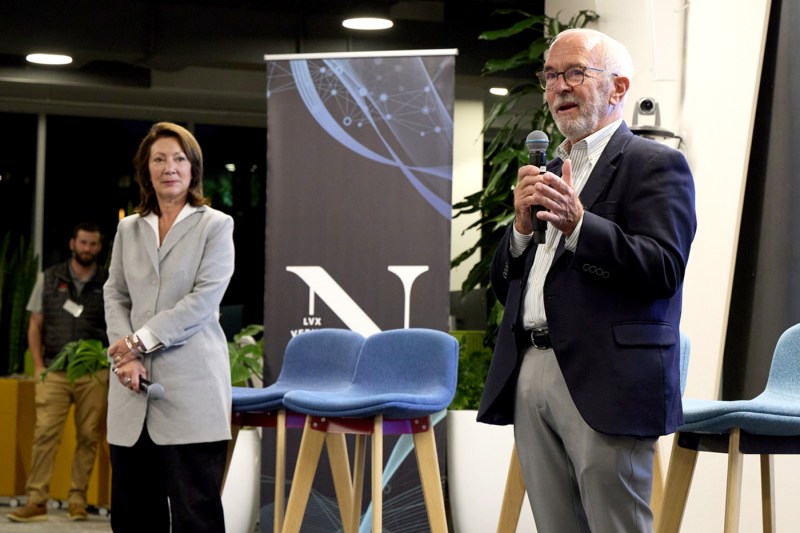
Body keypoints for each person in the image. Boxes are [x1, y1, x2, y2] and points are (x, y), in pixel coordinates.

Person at [477, 28, 697, 533]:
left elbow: (663, 268)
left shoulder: (655, 165)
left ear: (618, 88)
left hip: (607, 374)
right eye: (551, 75)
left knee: (614, 524)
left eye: (575, 72)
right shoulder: (547, 170)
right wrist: (520, 229)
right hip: (531, 367)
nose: (559, 87)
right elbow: (505, 284)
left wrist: (581, 225)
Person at [103, 121, 235, 532]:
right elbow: (115, 293)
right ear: (146, 169)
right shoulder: (128, 228)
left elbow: (202, 302)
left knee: (196, 516)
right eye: (158, 159)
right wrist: (124, 358)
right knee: (132, 516)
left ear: (193, 168)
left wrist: (137, 343)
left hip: (191, 395)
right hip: (130, 393)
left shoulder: (215, 225)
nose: (169, 167)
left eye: (179, 159)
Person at [7, 221, 108, 523]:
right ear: (72, 244)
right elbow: (34, 324)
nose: (87, 249)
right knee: (45, 434)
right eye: (83, 243)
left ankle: (78, 499)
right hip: (54, 370)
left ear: (99, 247)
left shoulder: (108, 281)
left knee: (88, 437)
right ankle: (36, 500)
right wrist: (38, 366)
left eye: (93, 244)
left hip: (94, 372)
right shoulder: (49, 278)